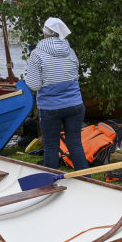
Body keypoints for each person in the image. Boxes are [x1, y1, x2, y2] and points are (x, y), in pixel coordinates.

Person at [25, 17, 89, 171]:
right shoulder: (71, 51)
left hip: (50, 108)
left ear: (44, 33)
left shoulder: (37, 54)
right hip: (75, 105)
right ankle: (86, 179)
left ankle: (51, 182)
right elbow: (75, 75)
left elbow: (33, 84)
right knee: (75, 143)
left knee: (51, 145)